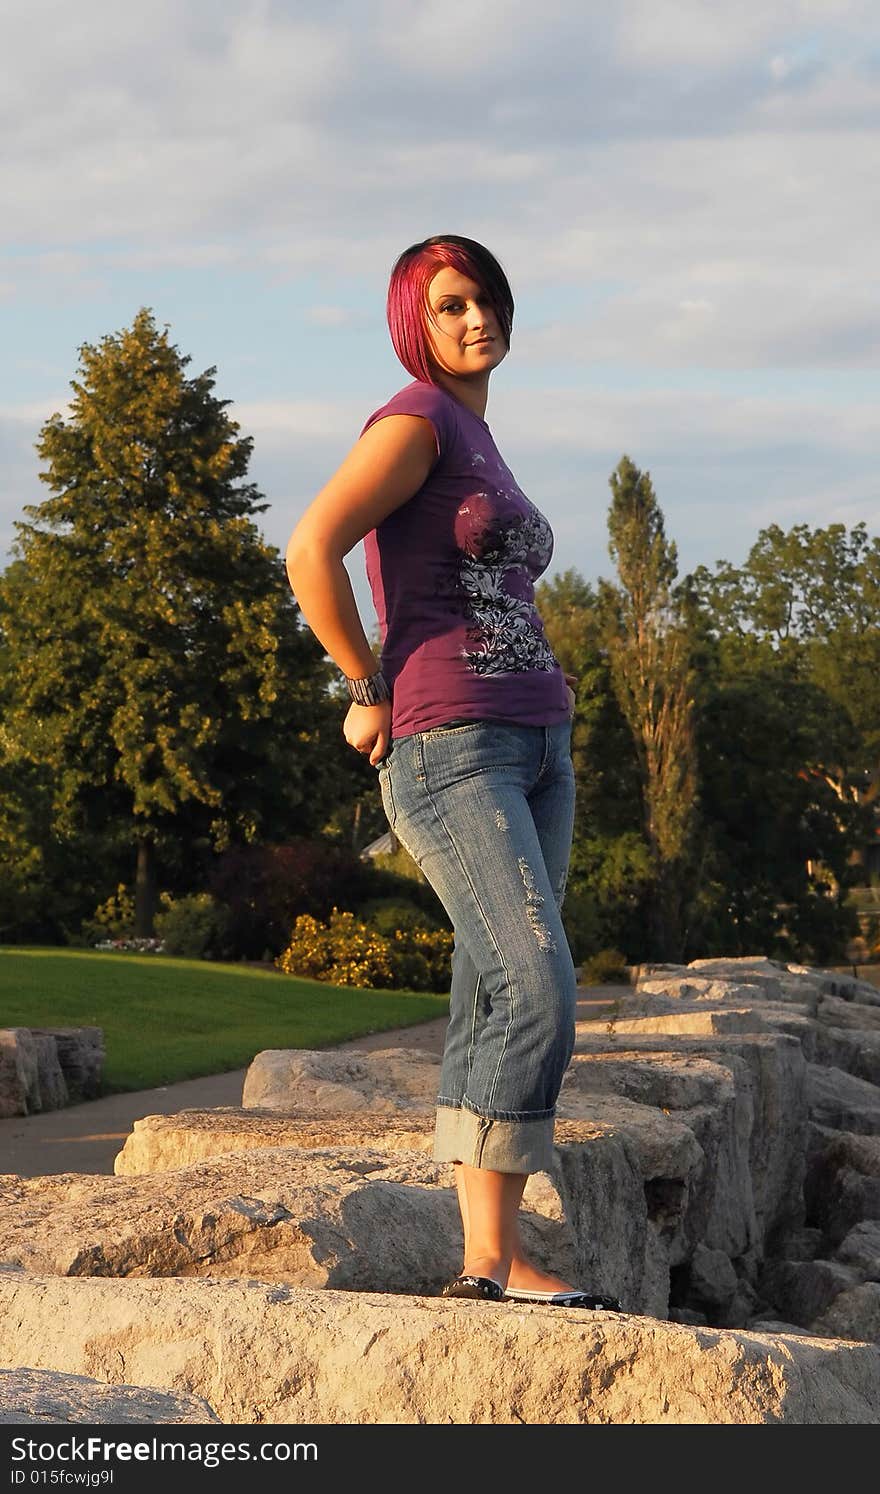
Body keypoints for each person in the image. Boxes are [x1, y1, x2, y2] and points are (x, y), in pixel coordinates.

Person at [285, 234, 619, 1311]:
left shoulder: (478, 436)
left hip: (537, 745)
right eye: (450, 305)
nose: (476, 318)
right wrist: (361, 685)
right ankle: (490, 1255)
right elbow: (311, 547)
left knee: (491, 991)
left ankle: (490, 1261)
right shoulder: (416, 420)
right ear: (413, 325)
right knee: (538, 986)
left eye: (485, 299)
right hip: (451, 745)